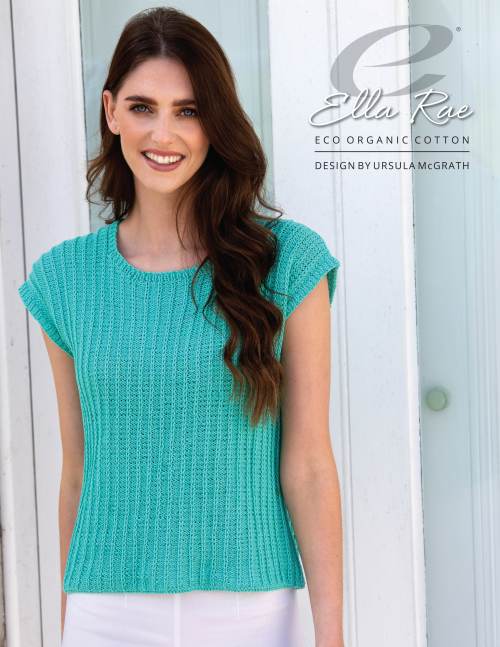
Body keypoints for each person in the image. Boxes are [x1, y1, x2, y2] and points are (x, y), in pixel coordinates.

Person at [18, 7, 344, 647]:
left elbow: (307, 464)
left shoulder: (287, 263)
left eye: (188, 110)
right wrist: (67, 616)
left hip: (250, 609)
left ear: (214, 122)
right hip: (106, 611)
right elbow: (78, 469)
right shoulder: (65, 279)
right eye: (142, 107)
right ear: (111, 111)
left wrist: (331, 636)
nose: (163, 133)